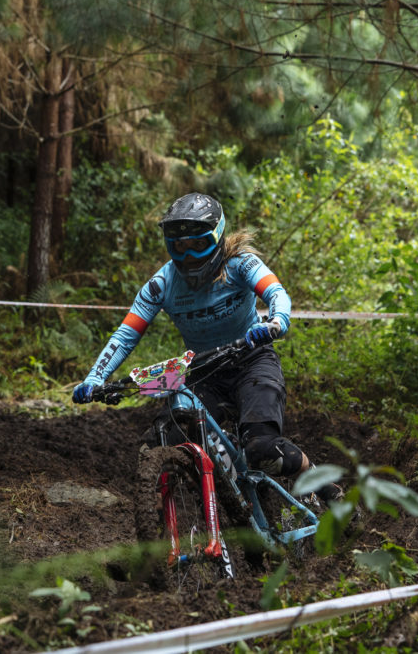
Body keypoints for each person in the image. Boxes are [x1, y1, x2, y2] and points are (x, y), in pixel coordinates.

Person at [72, 192, 340, 501]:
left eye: (198, 245)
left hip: (252, 362)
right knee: (160, 443)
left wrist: (275, 322)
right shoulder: (161, 284)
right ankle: (171, 516)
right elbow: (126, 335)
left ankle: (327, 489)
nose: (188, 256)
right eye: (179, 247)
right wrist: (95, 377)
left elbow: (275, 291)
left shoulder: (240, 263)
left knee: (264, 450)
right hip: (203, 371)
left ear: (217, 237)